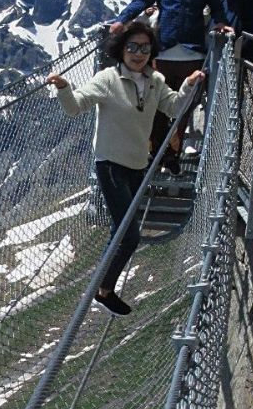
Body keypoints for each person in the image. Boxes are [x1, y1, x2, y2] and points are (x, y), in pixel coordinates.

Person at [48, 20, 205, 315]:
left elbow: (174, 107)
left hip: (137, 165)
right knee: (128, 234)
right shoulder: (108, 78)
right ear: (121, 49)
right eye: (132, 47)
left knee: (121, 231)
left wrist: (187, 86)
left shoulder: (156, 81)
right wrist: (64, 87)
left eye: (145, 48)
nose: (138, 53)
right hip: (110, 165)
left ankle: (102, 284)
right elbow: (75, 107)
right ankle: (104, 290)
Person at [109, 0, 231, 174]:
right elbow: (142, 0)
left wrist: (220, 22)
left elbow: (217, 7)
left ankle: (170, 156)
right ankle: (161, 153)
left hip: (191, 54)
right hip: (163, 54)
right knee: (156, 106)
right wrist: (123, 20)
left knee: (182, 108)